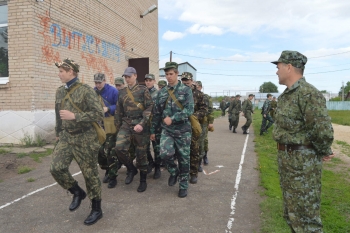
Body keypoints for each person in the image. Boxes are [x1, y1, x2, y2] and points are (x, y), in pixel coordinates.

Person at [272, 50, 334, 232]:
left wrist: (324, 150)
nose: (276, 71)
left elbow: (322, 131)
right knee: (292, 214)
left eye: (279, 67)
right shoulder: (288, 94)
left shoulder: (308, 94)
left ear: (289, 67)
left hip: (302, 164)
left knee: (306, 218)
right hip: (288, 161)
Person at [50, 58, 104, 225]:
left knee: (90, 175)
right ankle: (77, 192)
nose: (59, 74)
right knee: (56, 168)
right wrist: (58, 133)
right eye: (59, 71)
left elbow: (98, 114)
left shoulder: (86, 90)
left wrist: (75, 116)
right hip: (66, 136)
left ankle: (96, 209)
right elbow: (58, 114)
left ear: (71, 72)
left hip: (85, 138)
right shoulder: (60, 91)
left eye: (61, 71)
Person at [151, 62, 194, 198]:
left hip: (183, 131)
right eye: (166, 74)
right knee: (164, 154)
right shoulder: (162, 92)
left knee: (184, 159)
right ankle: (173, 172)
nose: (168, 77)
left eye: (171, 74)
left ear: (176, 74)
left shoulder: (186, 90)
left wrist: (174, 118)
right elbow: (157, 113)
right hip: (167, 130)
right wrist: (153, 130)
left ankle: (183, 185)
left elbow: (189, 110)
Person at [114, 67, 153, 192]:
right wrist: (118, 127)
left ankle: (143, 180)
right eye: (125, 77)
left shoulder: (143, 90)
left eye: (129, 76)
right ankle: (131, 168)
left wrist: (142, 123)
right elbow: (118, 110)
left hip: (140, 125)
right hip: (126, 123)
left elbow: (149, 108)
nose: (126, 79)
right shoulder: (122, 92)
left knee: (141, 153)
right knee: (119, 148)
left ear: (135, 76)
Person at [181, 72, 208, 184]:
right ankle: (183, 172)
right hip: (181, 126)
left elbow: (204, 109)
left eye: (188, 80)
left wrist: (193, 117)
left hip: (193, 126)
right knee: (182, 151)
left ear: (192, 80)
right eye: (184, 80)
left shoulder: (198, 94)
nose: (186, 82)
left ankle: (193, 173)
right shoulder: (178, 93)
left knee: (194, 150)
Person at [94, 73, 119, 188]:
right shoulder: (93, 92)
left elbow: (119, 106)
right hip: (99, 125)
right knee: (100, 151)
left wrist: (108, 108)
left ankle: (113, 176)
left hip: (110, 124)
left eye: (100, 82)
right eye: (96, 82)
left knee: (110, 151)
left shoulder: (113, 91)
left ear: (104, 81)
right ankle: (107, 169)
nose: (98, 85)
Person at [144, 74, 161, 179]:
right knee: (145, 147)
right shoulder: (142, 93)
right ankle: (150, 162)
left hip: (155, 124)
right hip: (145, 124)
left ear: (154, 81)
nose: (148, 82)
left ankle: (158, 168)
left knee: (156, 148)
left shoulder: (158, 94)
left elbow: (159, 111)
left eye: (150, 80)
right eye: (146, 80)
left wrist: (154, 128)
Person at [196, 81, 214, 167]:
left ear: (201, 87)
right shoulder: (190, 95)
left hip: (203, 121)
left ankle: (204, 156)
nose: (196, 88)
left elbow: (210, 109)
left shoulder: (206, 97)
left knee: (204, 141)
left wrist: (210, 122)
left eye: (198, 87)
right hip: (193, 122)